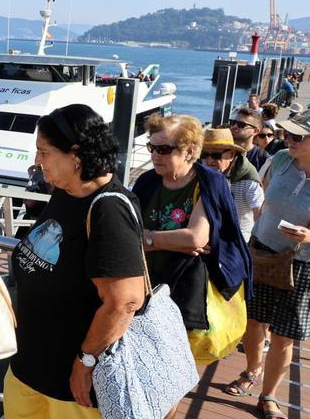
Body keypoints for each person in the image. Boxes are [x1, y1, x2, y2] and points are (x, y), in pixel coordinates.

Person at [3, 104, 145, 419]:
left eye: (44, 152)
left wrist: (85, 363)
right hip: (28, 369)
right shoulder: (66, 192)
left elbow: (125, 301)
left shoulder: (109, 209)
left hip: (73, 391)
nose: (37, 161)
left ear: (76, 154)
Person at [133, 115, 252, 415]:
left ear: (190, 151)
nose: (154, 156)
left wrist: (145, 238)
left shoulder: (209, 183)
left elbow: (195, 237)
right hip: (146, 285)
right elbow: (128, 229)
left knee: (172, 374)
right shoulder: (147, 181)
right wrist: (164, 240)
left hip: (185, 292)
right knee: (140, 364)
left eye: (164, 150)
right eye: (151, 148)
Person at [224, 109, 310, 419]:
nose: (288, 140)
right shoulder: (281, 158)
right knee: (252, 322)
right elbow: (263, 197)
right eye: (287, 133)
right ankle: (252, 369)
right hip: (262, 252)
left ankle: (268, 396)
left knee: (284, 335)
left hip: (305, 265)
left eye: (298, 136)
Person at [199, 128, 263, 242]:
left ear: (232, 154)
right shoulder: (200, 172)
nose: (209, 161)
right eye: (204, 154)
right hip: (208, 235)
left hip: (236, 239)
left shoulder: (248, 179)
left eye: (215, 155)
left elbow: (260, 215)